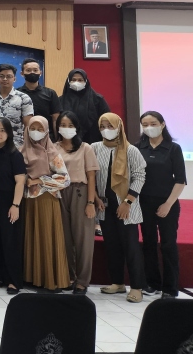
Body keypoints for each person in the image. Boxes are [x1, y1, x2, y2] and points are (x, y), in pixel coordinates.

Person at [93, 112, 147, 303]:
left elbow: (140, 177)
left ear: (119, 127)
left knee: (130, 247)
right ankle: (117, 282)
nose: (106, 130)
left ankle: (137, 287)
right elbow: (90, 175)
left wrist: (127, 202)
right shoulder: (94, 148)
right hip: (104, 205)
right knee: (112, 246)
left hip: (126, 206)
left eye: (110, 126)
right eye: (102, 126)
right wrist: (95, 198)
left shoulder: (131, 150)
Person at [137, 111, 186, 299]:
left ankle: (170, 288)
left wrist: (168, 204)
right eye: (145, 124)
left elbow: (180, 180)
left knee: (168, 244)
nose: (149, 127)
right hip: (144, 203)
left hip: (168, 202)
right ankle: (152, 283)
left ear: (162, 124)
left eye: (153, 123)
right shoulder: (138, 147)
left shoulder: (173, 148)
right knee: (148, 243)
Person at [22, 116, 71, 291]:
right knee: (32, 239)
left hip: (47, 201)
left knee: (47, 239)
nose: (36, 132)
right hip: (28, 202)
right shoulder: (21, 151)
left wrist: (39, 180)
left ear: (47, 131)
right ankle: (32, 278)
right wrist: (26, 180)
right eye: (32, 128)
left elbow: (65, 179)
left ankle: (50, 280)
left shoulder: (52, 153)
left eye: (40, 129)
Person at [55, 111, 99, 294]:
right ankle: (69, 277)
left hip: (80, 192)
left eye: (70, 125)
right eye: (63, 125)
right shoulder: (53, 147)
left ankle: (82, 281)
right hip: (59, 193)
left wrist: (91, 202)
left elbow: (91, 176)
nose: (66, 129)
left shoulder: (85, 148)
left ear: (77, 128)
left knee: (83, 240)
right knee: (64, 238)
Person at [0, 117, 26, 295]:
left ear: (9, 133)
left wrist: (15, 205)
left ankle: (13, 280)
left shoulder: (14, 154)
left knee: (10, 241)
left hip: (8, 201)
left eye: (2, 130)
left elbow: (20, 182)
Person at [0, 63, 34, 146]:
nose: (5, 79)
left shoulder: (23, 98)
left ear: (14, 79)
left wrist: (27, 147)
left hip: (16, 146)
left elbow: (28, 125)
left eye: (9, 76)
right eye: (1, 76)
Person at [58, 68, 111, 145]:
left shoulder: (97, 100)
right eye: (73, 80)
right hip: (67, 143)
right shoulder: (60, 101)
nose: (77, 82)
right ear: (68, 81)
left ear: (86, 81)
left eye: (80, 80)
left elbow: (107, 119)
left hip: (93, 142)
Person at [16, 58, 61, 140]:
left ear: (40, 73)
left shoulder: (50, 93)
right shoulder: (17, 94)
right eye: (28, 70)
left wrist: (57, 139)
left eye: (35, 70)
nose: (32, 72)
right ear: (22, 73)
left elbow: (55, 119)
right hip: (23, 138)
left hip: (47, 137)